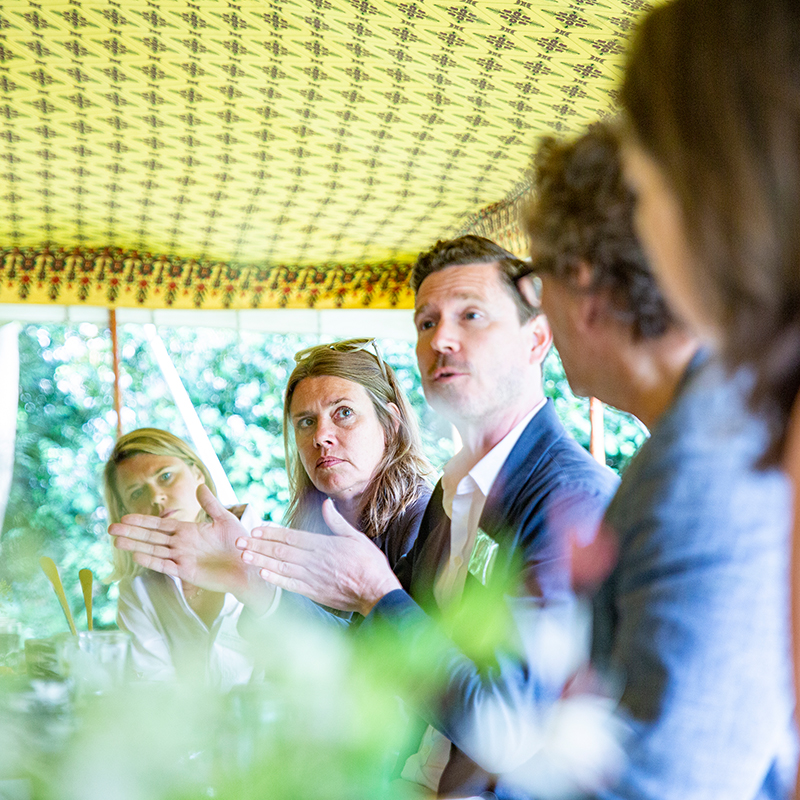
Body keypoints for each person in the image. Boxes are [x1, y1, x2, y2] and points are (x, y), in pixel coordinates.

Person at [236, 235, 619, 797]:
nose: (441, 338)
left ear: (536, 339)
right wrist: (245, 579)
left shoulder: (569, 497)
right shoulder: (453, 493)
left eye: (471, 315)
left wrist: (377, 591)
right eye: (426, 322)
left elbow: (507, 728)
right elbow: (383, 662)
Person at [521, 122, 796, 800]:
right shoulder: (707, 428)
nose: (539, 311)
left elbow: (671, 781)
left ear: (582, 283)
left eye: (535, 281)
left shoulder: (697, 475)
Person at [109, 340, 432, 629]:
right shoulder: (309, 525)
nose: (320, 436)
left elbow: (388, 662)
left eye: (344, 412)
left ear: (390, 423)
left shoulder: (425, 522)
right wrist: (243, 575)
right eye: (306, 422)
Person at [104, 428, 260, 686]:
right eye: (136, 493)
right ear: (126, 510)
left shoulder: (270, 545)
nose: (156, 496)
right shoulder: (139, 590)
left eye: (165, 476)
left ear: (197, 473)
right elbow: (155, 688)